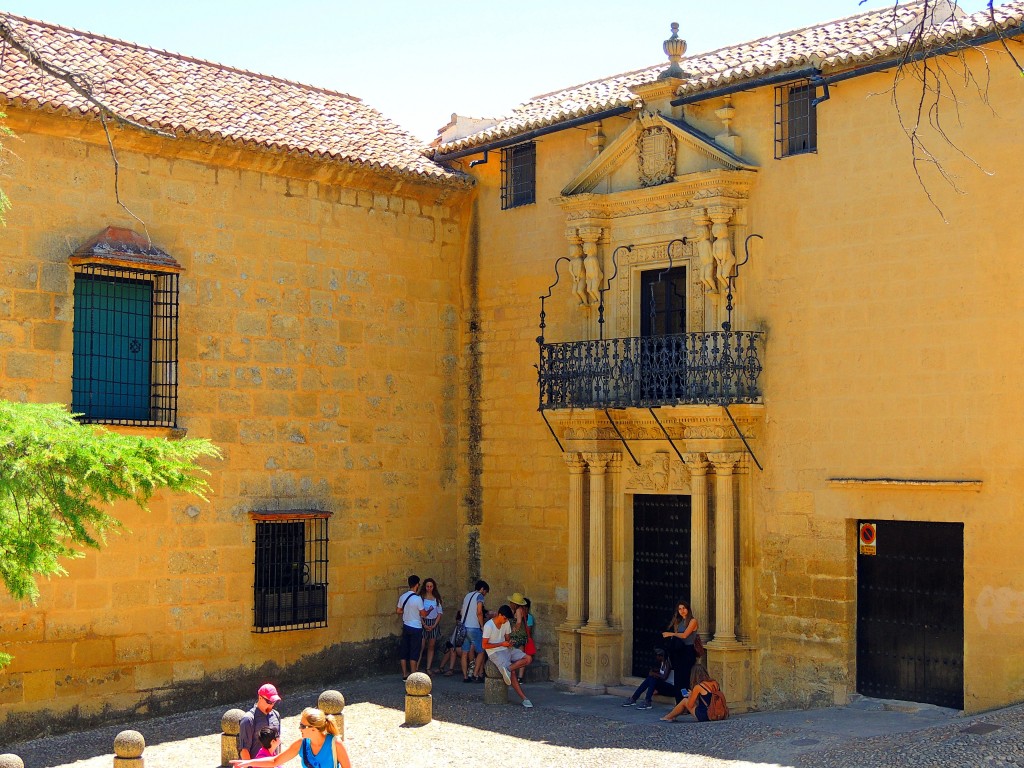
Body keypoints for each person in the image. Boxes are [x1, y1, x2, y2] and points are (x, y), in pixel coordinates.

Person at [231, 707, 351, 768]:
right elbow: (275, 761)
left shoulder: (335, 744)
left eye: (302, 726)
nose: (299, 728)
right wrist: (248, 762)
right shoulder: (301, 744)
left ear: (313, 728)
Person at [482, 604, 533, 708]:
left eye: (507, 619)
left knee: (528, 658)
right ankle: (524, 698)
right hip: (494, 652)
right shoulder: (489, 626)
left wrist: (510, 642)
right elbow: (484, 645)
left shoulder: (506, 623)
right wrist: (501, 644)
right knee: (513, 673)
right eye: (504, 618)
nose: (505, 621)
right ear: (499, 614)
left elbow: (507, 639)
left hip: (506, 648)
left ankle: (507, 669)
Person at [662, 600, 699, 703]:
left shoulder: (692, 621)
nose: (682, 611)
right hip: (679, 652)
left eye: (684, 608)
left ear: (688, 609)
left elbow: (685, 635)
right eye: (680, 609)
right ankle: (679, 703)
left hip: (688, 652)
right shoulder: (678, 622)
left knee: (685, 679)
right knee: (678, 680)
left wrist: (671, 634)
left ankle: (687, 703)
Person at [238, 683, 283, 760]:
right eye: (269, 702)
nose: (271, 705)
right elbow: (244, 750)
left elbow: (277, 743)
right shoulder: (248, 719)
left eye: (274, 702)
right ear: (260, 698)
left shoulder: (276, 715)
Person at [396, 574, 427, 680]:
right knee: (414, 651)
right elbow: (423, 614)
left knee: (404, 650)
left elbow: (398, 611)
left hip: (406, 625)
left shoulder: (403, 597)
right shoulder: (418, 599)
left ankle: (405, 674)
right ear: (417, 585)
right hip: (416, 627)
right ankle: (413, 675)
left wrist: (407, 611)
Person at [459, 579, 489, 683]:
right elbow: (479, 612)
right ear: (482, 589)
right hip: (474, 627)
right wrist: (482, 626)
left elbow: (462, 611)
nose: (485, 595)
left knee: (464, 652)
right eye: (485, 592)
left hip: (464, 627)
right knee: (481, 651)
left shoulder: (467, 596)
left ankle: (465, 676)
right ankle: (476, 674)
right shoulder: (479, 596)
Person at [418, 577, 444, 674]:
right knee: (421, 646)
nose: (429, 588)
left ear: (434, 587)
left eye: (431, 586)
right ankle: (416, 667)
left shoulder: (436, 599)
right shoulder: (421, 598)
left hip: (433, 623)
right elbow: (419, 612)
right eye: (427, 586)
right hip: (423, 622)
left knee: (431, 646)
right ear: (425, 587)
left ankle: (428, 668)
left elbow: (439, 613)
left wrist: (434, 625)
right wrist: (424, 624)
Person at [507, 592, 534, 681]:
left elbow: (518, 621)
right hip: (522, 636)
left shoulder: (518, 610)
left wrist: (515, 629)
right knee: (521, 655)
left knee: (516, 655)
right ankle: (520, 677)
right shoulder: (521, 609)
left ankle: (514, 675)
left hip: (517, 636)